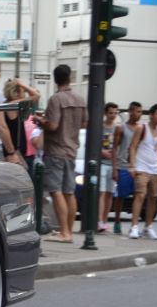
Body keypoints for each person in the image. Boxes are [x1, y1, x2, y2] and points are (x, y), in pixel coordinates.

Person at [40, 64, 88, 242]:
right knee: (69, 192)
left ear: (55, 78)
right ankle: (69, 231)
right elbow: (84, 124)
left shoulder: (56, 99)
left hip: (56, 150)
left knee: (55, 190)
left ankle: (64, 232)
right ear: (70, 77)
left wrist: (41, 121)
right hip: (72, 150)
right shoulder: (80, 99)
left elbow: (53, 125)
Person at [127, 103, 157, 240]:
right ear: (151, 115)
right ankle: (134, 227)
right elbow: (132, 147)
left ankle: (148, 227)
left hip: (154, 169)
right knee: (140, 195)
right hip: (141, 167)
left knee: (153, 197)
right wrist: (132, 166)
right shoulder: (141, 128)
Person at [111, 101, 143, 233]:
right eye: (137, 111)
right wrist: (115, 168)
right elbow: (114, 148)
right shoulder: (121, 128)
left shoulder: (142, 129)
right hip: (123, 166)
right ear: (130, 112)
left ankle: (133, 225)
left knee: (138, 196)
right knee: (121, 196)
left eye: (141, 112)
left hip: (138, 167)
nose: (139, 114)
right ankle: (117, 221)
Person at [97, 102, 122, 232]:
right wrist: (101, 152)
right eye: (111, 113)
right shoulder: (100, 127)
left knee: (109, 193)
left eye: (115, 113)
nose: (113, 115)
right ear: (106, 113)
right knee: (101, 193)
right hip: (101, 163)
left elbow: (119, 147)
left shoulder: (118, 128)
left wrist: (116, 165)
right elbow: (94, 143)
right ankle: (99, 220)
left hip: (112, 164)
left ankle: (105, 221)